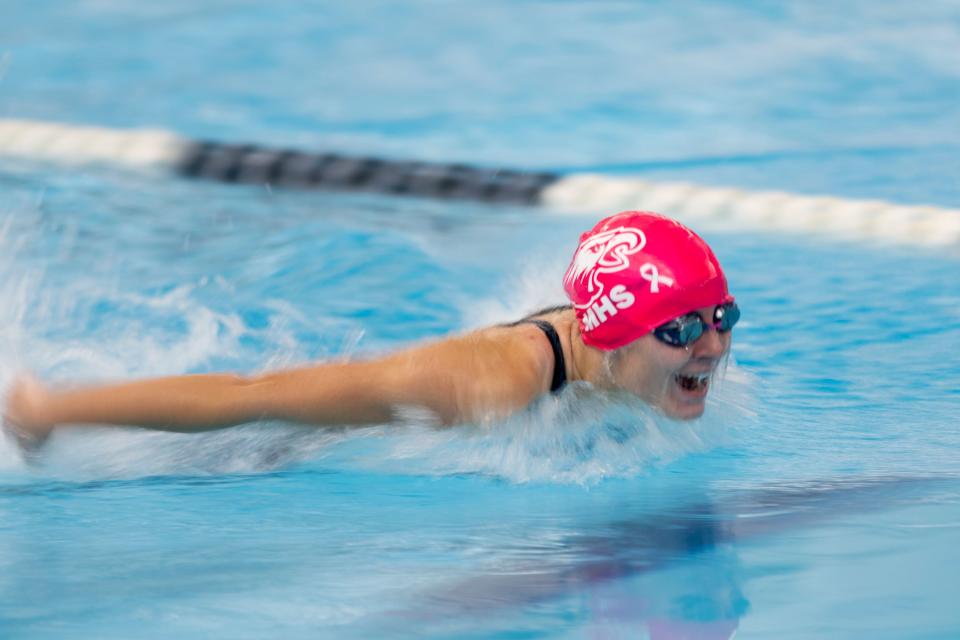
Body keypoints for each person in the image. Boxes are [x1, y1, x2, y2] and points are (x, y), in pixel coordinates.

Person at [3, 211, 739, 450]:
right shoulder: (488, 381)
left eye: (720, 318)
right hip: (277, 455)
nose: (711, 345)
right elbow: (247, 396)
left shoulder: (624, 358)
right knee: (260, 409)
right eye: (680, 328)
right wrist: (47, 413)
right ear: (611, 332)